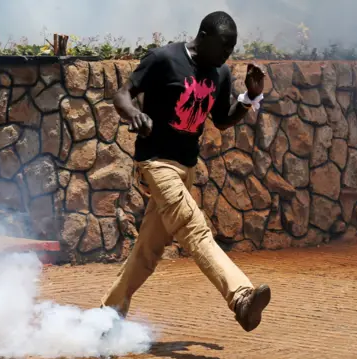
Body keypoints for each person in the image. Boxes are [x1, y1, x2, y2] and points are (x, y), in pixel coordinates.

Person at [100, 11, 270, 332]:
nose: (226, 54)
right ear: (203, 36)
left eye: (231, 48)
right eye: (223, 46)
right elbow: (123, 94)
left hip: (185, 168)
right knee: (195, 228)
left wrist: (249, 97)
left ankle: (106, 317)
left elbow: (221, 118)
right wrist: (133, 113)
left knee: (147, 251)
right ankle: (241, 296)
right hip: (156, 162)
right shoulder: (164, 59)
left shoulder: (220, 73)